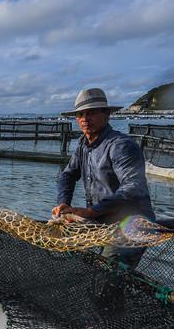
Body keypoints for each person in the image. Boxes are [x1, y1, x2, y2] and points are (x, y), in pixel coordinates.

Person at [52, 87, 154, 267]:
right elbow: (67, 175)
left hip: (131, 225)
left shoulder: (120, 146)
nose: (84, 119)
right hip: (102, 223)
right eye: (80, 114)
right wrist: (63, 202)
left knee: (106, 274)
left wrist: (92, 211)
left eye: (91, 113)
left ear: (106, 114)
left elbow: (133, 187)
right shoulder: (83, 145)